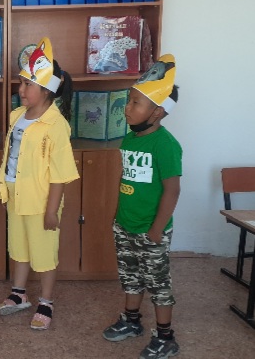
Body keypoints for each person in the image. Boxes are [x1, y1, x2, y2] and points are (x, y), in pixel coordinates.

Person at [102, 54, 182, 359]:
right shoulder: (129, 140)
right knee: (130, 277)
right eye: (129, 100)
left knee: (158, 284)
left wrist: (157, 230)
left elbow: (172, 190)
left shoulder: (165, 145)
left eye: (136, 103)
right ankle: (131, 321)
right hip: (126, 225)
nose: (127, 107)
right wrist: (117, 216)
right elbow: (126, 180)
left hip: (152, 230)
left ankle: (166, 337)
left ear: (157, 111)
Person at [0, 37, 79, 330]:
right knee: (19, 247)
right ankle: (19, 294)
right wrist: (6, 190)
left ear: (46, 89)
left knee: (44, 253)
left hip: (42, 201)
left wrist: (51, 211)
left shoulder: (56, 125)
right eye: (21, 83)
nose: (20, 90)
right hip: (16, 195)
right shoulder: (17, 116)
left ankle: (46, 301)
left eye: (27, 84)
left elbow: (59, 174)